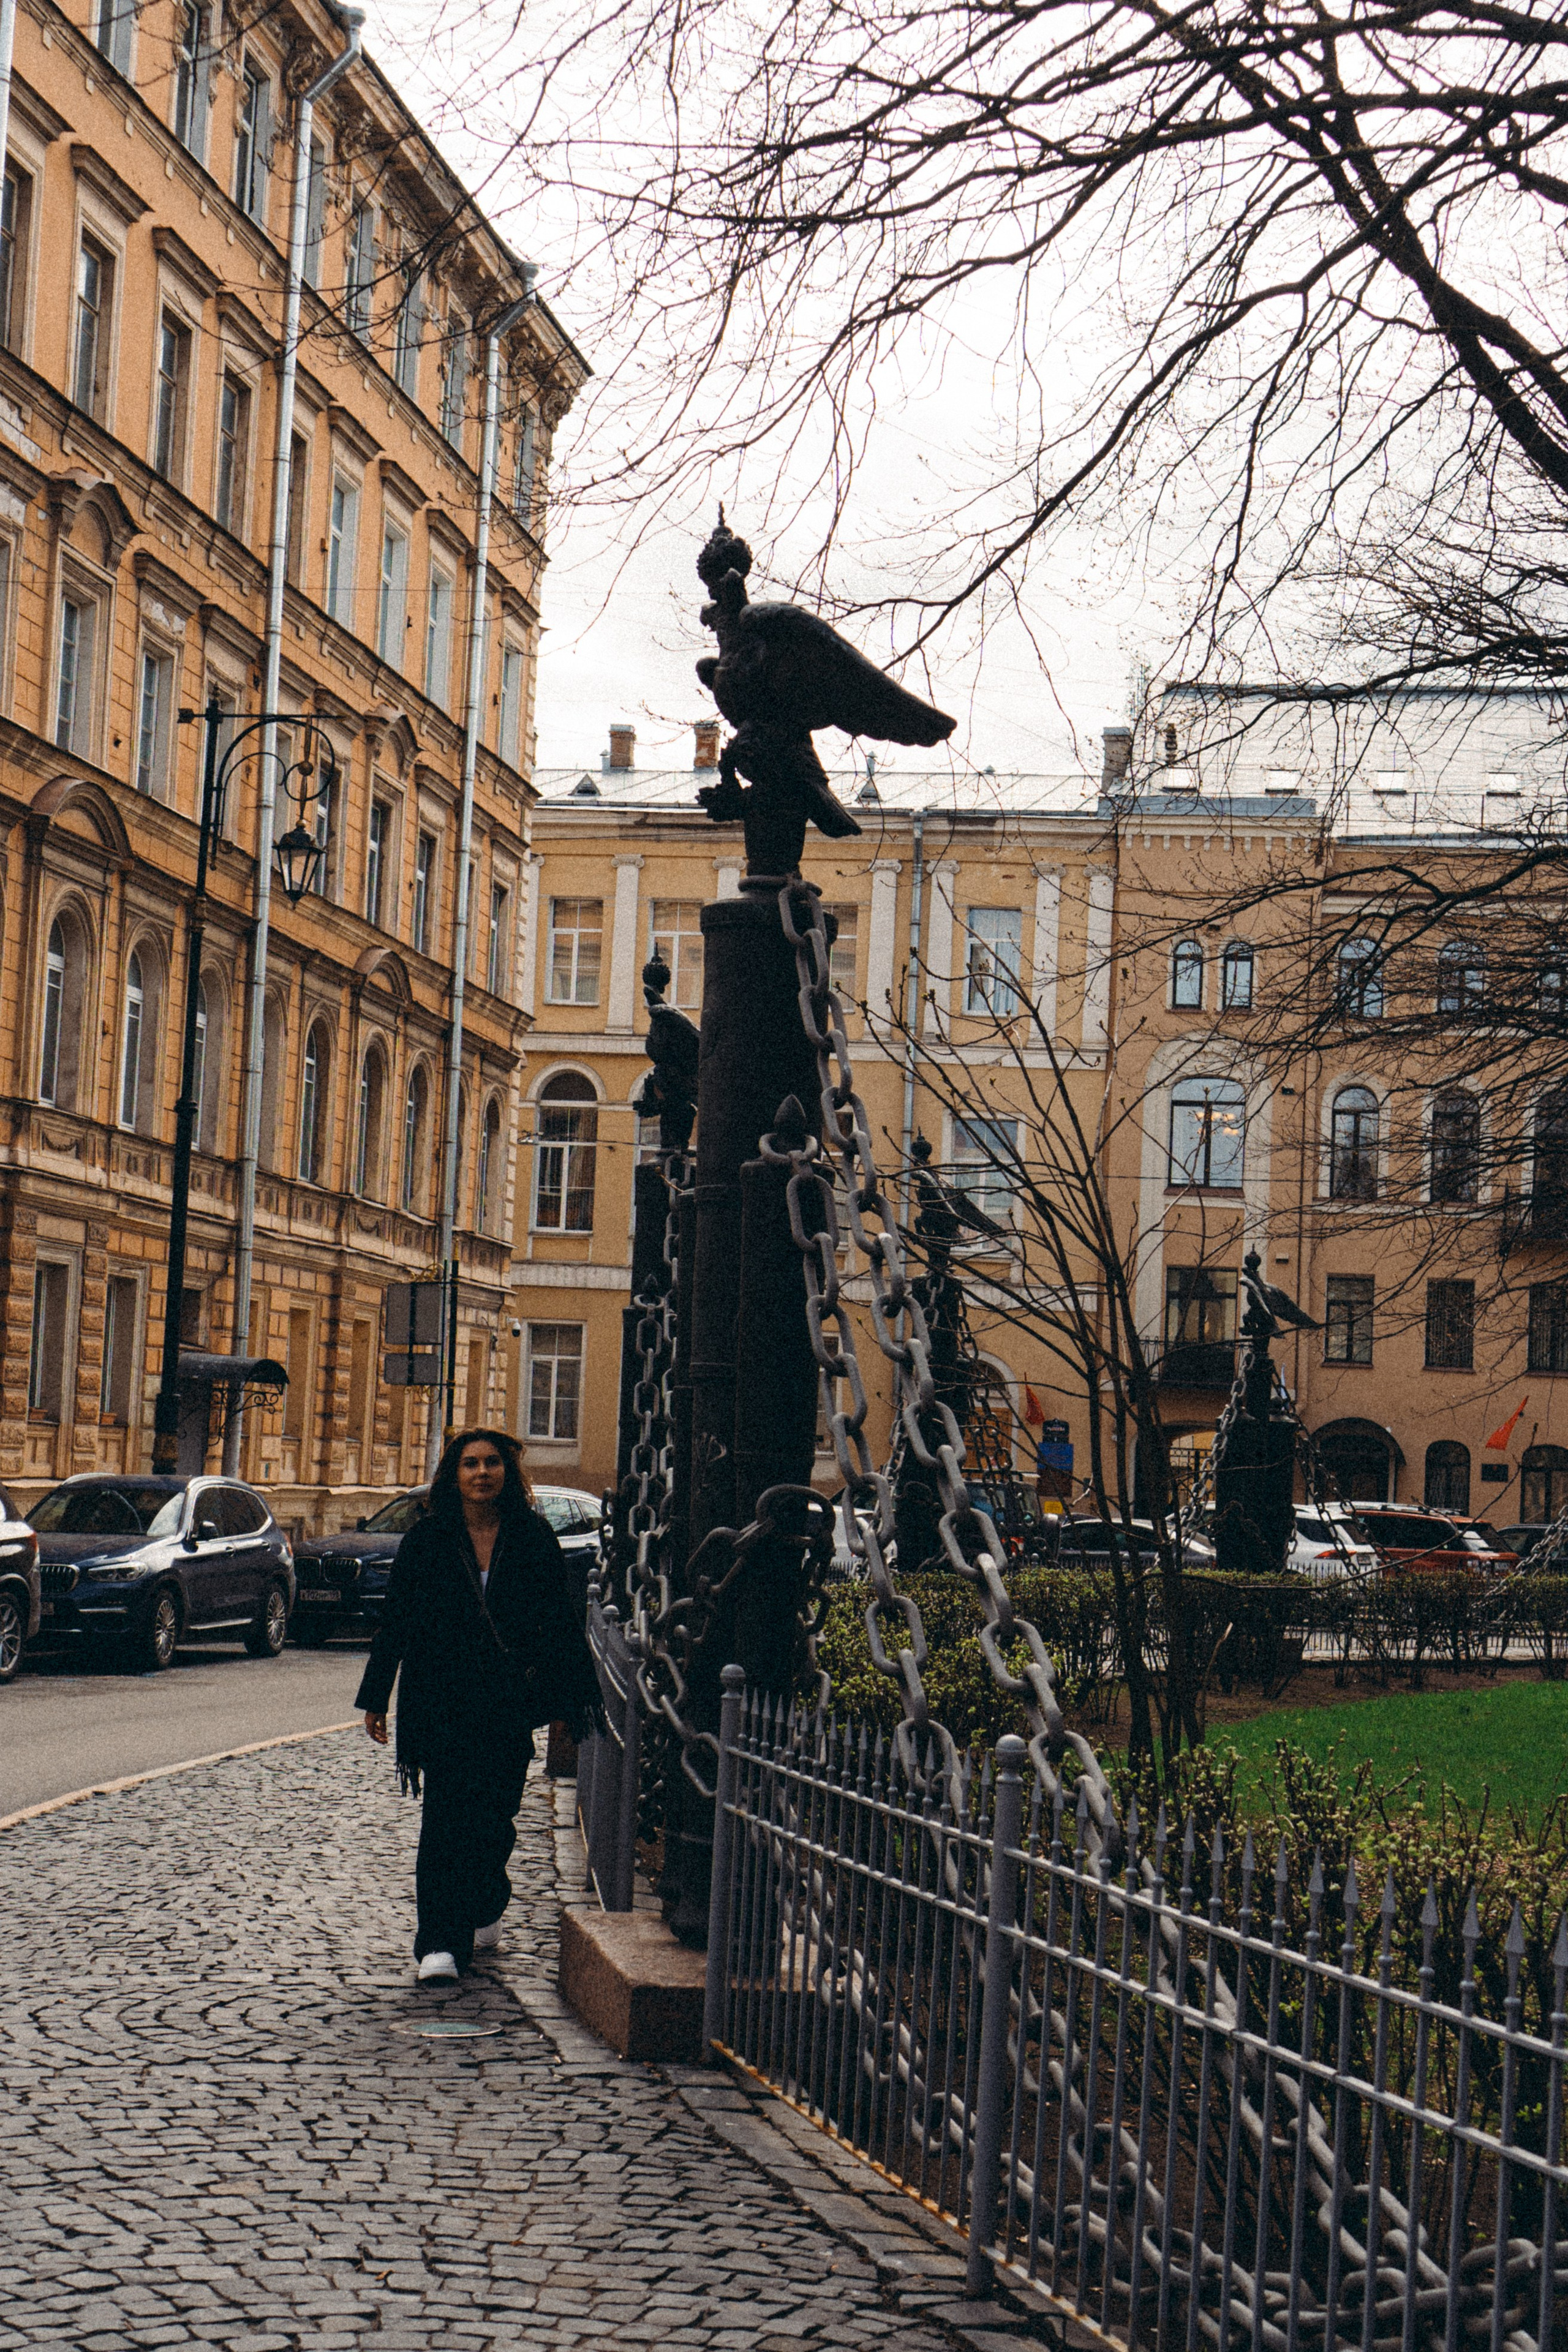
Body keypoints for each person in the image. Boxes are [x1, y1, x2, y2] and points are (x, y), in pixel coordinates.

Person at [356, 1427, 603, 1983]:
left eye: (492, 1463)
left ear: (507, 1474)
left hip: (507, 1703)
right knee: (444, 1819)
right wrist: (377, 1696)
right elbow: (397, 1620)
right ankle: (439, 1943)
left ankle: (488, 1899)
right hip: (440, 1699)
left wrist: (570, 1702)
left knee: (495, 1817)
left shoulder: (533, 1536)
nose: (482, 1473)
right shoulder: (428, 1539)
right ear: (455, 1475)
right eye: (470, 1464)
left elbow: (560, 1623)